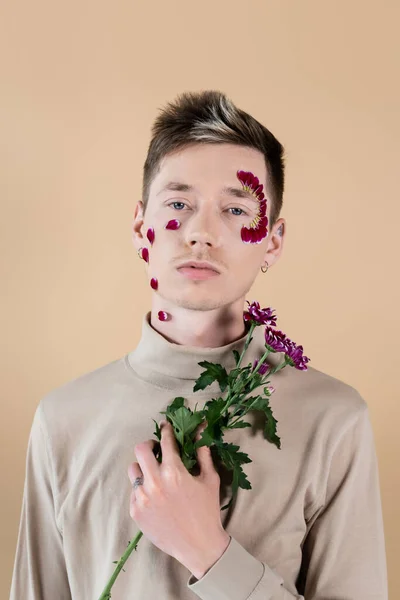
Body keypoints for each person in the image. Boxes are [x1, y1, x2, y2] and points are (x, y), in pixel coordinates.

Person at [10, 90, 388, 599]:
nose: (201, 233)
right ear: (141, 227)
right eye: (179, 204)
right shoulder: (63, 421)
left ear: (271, 241)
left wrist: (208, 552)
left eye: (235, 209)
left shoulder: (333, 421)